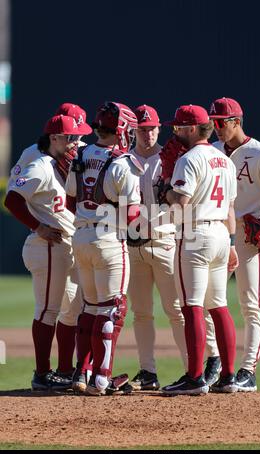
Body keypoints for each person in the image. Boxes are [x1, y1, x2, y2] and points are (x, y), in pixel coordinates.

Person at [209, 97, 260, 391]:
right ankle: (215, 363)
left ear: (236, 121)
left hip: (249, 238)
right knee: (211, 300)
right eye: (213, 122)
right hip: (219, 236)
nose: (216, 127)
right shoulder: (213, 151)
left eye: (221, 122)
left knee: (250, 304)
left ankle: (248, 371)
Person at [5, 114, 92, 390]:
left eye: (78, 137)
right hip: (47, 245)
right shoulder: (40, 165)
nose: (76, 142)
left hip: (64, 244)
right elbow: (12, 200)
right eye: (71, 137)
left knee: (72, 310)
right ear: (54, 138)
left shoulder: (60, 163)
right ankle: (42, 374)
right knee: (47, 311)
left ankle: (65, 371)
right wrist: (39, 226)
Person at [160, 104, 239, 395]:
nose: (175, 132)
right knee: (218, 305)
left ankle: (194, 377)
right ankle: (229, 376)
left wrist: (165, 190)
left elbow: (180, 202)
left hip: (195, 232)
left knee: (192, 304)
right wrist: (231, 244)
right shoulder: (225, 160)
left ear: (192, 129)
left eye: (178, 127)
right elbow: (230, 208)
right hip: (221, 232)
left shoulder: (188, 159)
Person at [66, 101, 143, 395]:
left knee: (90, 307)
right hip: (109, 239)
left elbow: (71, 199)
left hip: (81, 236)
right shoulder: (122, 163)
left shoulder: (81, 153)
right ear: (122, 128)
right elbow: (132, 213)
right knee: (112, 310)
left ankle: (81, 372)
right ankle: (102, 377)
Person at [127, 104, 188, 391]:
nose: (148, 133)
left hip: (164, 240)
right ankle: (147, 371)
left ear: (159, 129)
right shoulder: (124, 161)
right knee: (141, 312)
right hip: (133, 244)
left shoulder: (169, 158)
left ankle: (192, 369)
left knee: (175, 310)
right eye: (142, 129)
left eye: (151, 128)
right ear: (134, 130)